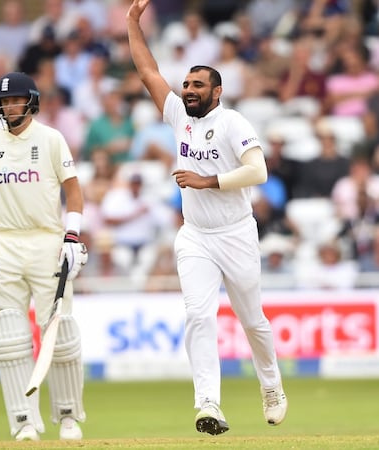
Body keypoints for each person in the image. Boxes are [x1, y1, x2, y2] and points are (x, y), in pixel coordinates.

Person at [126, 0, 287, 436]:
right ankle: (208, 404)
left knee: (252, 321)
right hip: (195, 236)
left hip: (236, 233)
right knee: (198, 316)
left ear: (216, 91)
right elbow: (147, 73)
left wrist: (206, 181)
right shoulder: (178, 115)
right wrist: (132, 23)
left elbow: (259, 171)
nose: (190, 89)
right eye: (187, 84)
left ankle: (271, 385)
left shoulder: (232, 122)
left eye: (199, 84)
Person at [0, 71, 88, 442]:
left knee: (59, 332)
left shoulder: (51, 139)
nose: (9, 106)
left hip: (47, 242)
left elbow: (73, 192)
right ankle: (23, 421)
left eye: (16, 100)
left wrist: (72, 237)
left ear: (31, 102)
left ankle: (68, 417)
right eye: (4, 101)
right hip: (5, 244)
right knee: (10, 335)